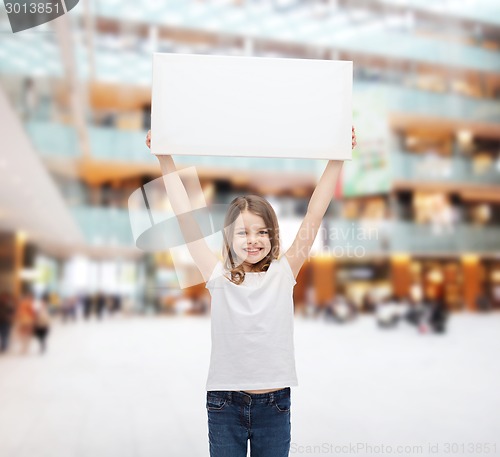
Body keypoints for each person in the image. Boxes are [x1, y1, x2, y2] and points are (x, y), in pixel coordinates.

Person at [146, 126, 356, 457]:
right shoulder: (217, 275)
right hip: (224, 404)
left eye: (262, 231)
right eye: (243, 232)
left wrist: (337, 158)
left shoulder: (285, 272)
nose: (253, 239)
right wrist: (165, 159)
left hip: (273, 406)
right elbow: (185, 218)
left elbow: (315, 213)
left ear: (273, 235)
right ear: (228, 237)